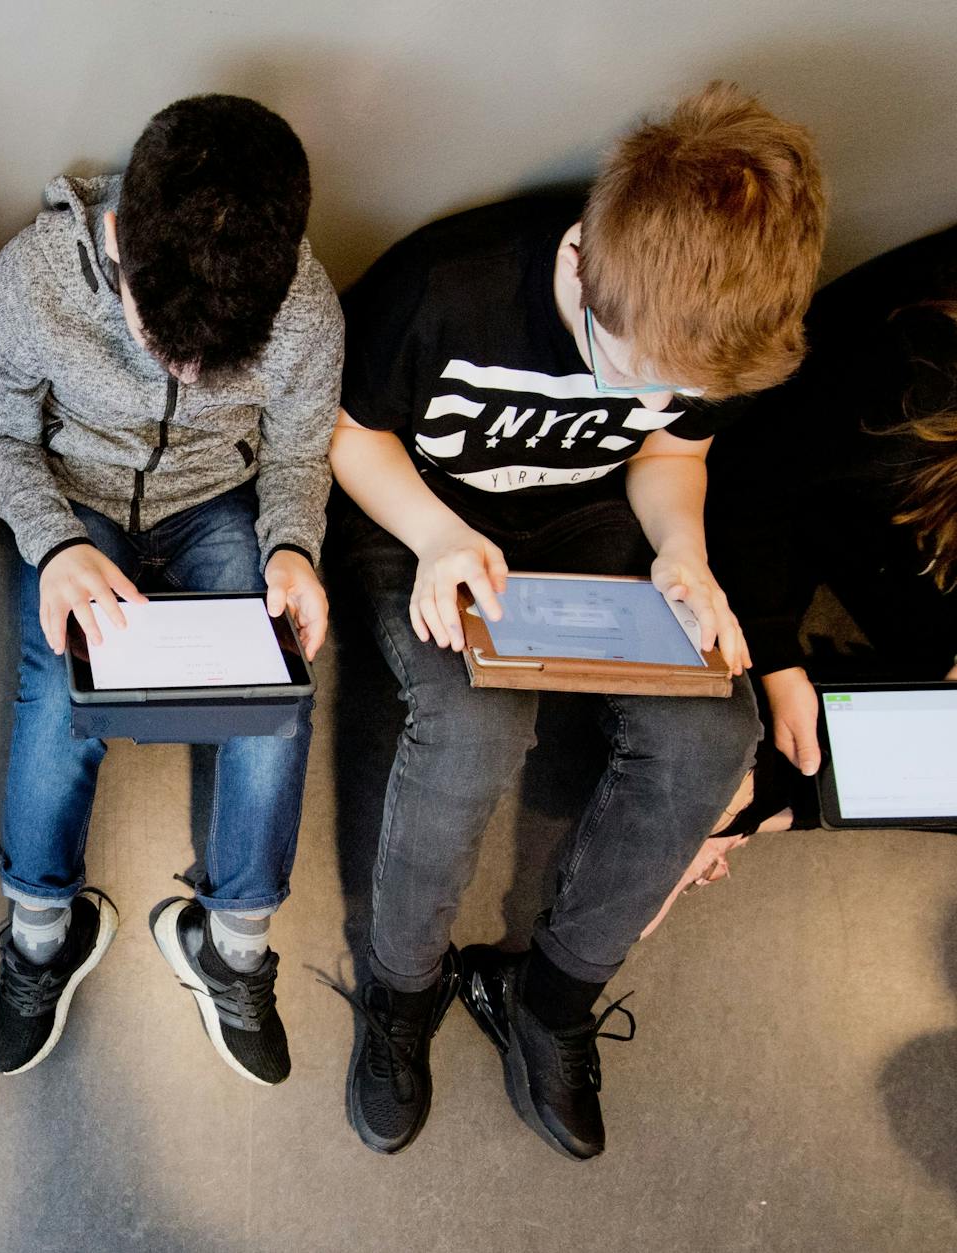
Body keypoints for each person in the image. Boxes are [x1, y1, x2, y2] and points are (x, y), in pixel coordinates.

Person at [327, 82, 825, 1159]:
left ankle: (549, 993)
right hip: (423, 514)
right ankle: (400, 989)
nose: (646, 398)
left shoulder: (706, 330)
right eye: (630, 373)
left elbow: (672, 452)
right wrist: (436, 535)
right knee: (471, 728)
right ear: (581, 268)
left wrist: (682, 549)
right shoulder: (446, 287)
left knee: (713, 731)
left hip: (588, 521)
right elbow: (349, 434)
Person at [0, 95, 343, 1086]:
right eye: (160, 339)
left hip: (217, 499)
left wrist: (292, 548)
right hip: (76, 496)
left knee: (277, 692)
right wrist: (53, 545)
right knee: (57, 692)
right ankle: (40, 930)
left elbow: (297, 454)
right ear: (116, 241)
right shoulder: (33, 279)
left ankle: (236, 945)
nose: (185, 370)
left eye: (213, 360)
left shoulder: (305, 306)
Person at [707, 223, 957, 828]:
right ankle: (742, 794)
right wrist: (776, 659)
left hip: (903, 507)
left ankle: (766, 800)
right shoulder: (916, 384)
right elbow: (744, 485)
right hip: (802, 490)